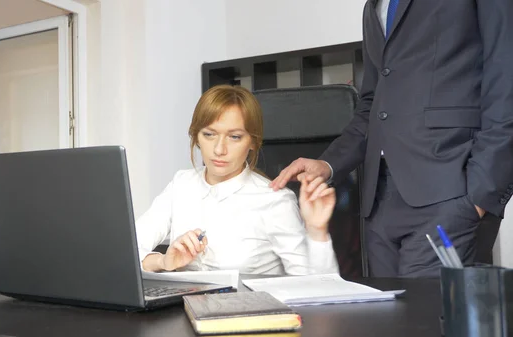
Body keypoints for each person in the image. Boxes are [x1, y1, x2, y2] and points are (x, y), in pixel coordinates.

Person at [271, 0, 513, 278]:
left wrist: (480, 196)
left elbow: (506, 83)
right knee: (387, 320)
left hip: (448, 195)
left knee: (434, 320)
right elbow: (373, 105)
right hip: (379, 204)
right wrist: (328, 164)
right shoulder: (373, 7)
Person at [136, 85, 338, 275]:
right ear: (196, 137)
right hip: (183, 309)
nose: (219, 149)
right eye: (209, 134)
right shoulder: (182, 183)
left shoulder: (274, 200)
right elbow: (127, 249)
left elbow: (313, 289)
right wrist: (163, 262)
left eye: (234, 137)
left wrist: (317, 232)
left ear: (252, 141)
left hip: (251, 310)